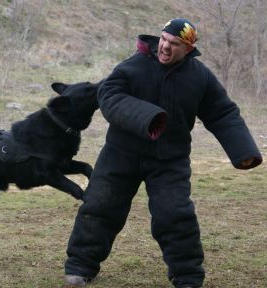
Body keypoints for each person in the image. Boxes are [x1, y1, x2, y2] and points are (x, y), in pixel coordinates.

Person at [64, 18, 263, 288]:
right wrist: (149, 117)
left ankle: (188, 277)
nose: (166, 47)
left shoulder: (199, 76)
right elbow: (109, 96)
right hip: (121, 154)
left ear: (188, 48)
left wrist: (243, 151)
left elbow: (223, 113)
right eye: (164, 40)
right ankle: (80, 267)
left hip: (171, 159)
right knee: (100, 207)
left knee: (175, 215)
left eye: (175, 44)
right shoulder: (130, 67)